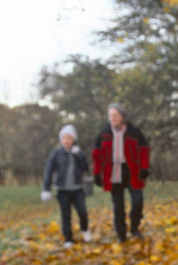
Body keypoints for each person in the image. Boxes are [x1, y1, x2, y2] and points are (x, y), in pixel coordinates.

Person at [92, 103, 150, 242]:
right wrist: (96, 174)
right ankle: (121, 235)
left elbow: (144, 151)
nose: (113, 118)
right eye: (110, 115)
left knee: (138, 201)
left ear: (122, 116)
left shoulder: (134, 132)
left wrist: (144, 168)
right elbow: (97, 156)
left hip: (132, 172)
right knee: (118, 206)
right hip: (113, 174)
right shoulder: (103, 135)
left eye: (116, 115)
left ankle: (134, 227)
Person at [42, 125, 91, 248]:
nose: (66, 140)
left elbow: (86, 168)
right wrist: (46, 189)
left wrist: (79, 155)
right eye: (64, 137)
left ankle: (85, 229)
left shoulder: (78, 152)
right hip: (62, 190)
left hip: (77, 189)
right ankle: (68, 239)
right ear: (61, 139)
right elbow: (49, 170)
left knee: (83, 212)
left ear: (73, 139)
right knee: (66, 215)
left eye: (69, 137)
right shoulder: (56, 153)